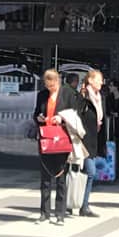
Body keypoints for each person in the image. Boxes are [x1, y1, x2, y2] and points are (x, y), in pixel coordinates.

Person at [33, 67, 80, 224]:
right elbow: (35, 113)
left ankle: (60, 213)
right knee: (45, 177)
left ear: (57, 82)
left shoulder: (67, 93)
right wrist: (39, 117)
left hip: (61, 138)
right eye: (47, 86)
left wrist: (62, 118)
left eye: (52, 86)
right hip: (46, 137)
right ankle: (44, 212)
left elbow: (75, 114)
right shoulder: (42, 95)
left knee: (61, 177)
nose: (50, 89)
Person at [76, 68, 109, 216]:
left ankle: (82, 204)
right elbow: (76, 118)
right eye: (98, 79)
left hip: (94, 140)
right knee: (90, 172)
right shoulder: (84, 96)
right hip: (84, 140)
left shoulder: (99, 97)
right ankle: (82, 205)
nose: (101, 82)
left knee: (86, 173)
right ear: (90, 80)